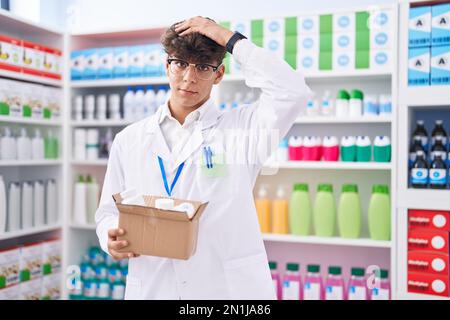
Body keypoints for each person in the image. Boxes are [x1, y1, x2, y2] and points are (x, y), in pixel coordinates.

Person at [95, 16, 311, 299]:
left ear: (219, 74)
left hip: (222, 291)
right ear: (167, 66)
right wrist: (110, 235)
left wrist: (229, 39)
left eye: (202, 67)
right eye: (181, 64)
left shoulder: (244, 130)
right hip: (154, 286)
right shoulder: (129, 140)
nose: (189, 77)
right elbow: (108, 213)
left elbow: (292, 91)